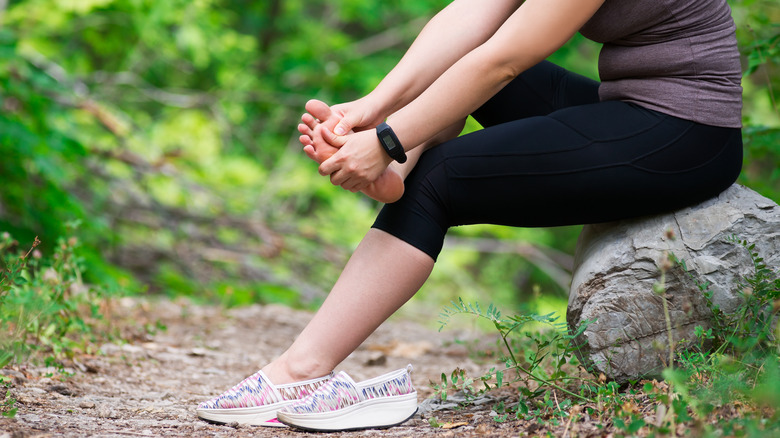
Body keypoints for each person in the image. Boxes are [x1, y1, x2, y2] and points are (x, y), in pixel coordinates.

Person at [197, 0, 743, 430]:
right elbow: (471, 17)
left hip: (685, 132)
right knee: (459, 66)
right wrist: (371, 108)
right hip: (622, 103)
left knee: (443, 180)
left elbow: (505, 61)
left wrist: (388, 139)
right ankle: (400, 171)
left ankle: (298, 374)